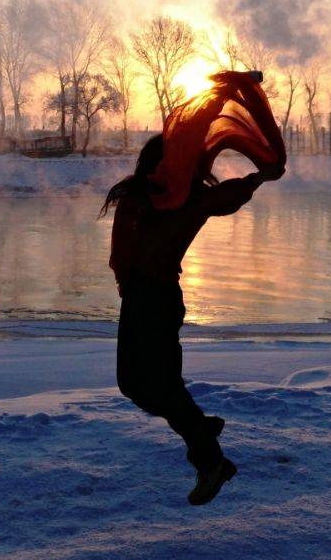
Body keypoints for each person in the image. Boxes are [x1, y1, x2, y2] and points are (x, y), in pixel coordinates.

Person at [103, 132, 283, 505]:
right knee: (133, 384)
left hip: (159, 299)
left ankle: (210, 460)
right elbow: (123, 251)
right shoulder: (139, 194)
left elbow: (229, 196)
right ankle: (197, 426)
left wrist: (259, 178)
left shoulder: (189, 198)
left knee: (162, 387)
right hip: (140, 298)